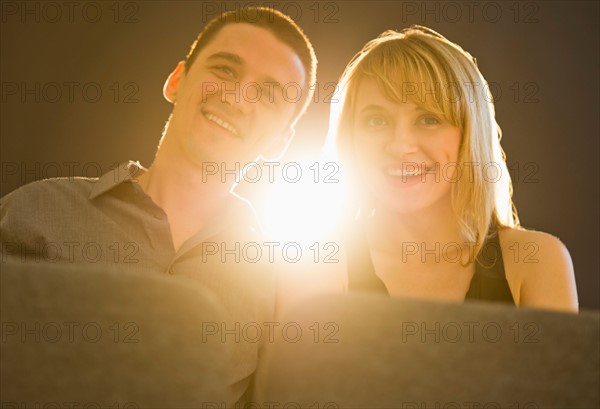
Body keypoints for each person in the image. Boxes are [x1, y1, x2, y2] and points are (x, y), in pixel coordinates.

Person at [0, 7, 317, 403]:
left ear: (280, 144)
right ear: (177, 80)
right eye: (225, 71)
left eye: (268, 96)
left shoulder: (278, 286)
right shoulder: (37, 210)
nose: (237, 98)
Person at [278, 25, 577, 315]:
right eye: (376, 120)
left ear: (469, 133)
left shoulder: (536, 261)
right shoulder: (315, 263)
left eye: (428, 119)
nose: (400, 146)